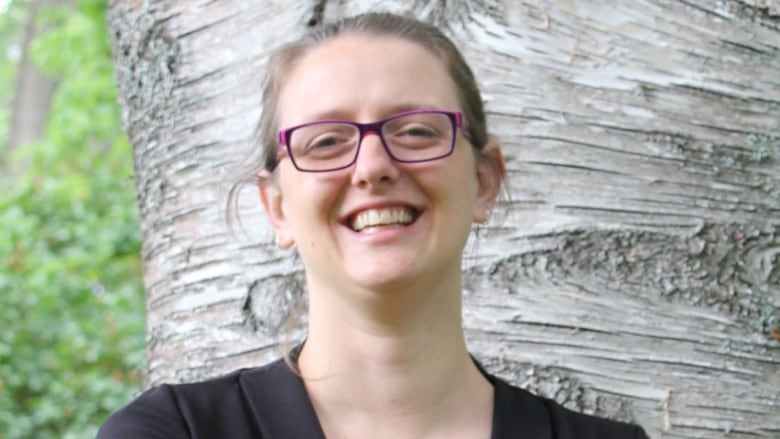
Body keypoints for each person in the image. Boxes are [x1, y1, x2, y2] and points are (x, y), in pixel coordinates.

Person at [99, 12, 649, 439]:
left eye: (415, 131)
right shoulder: (172, 432)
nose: (372, 167)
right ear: (279, 208)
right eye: (326, 142)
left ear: (483, 181)